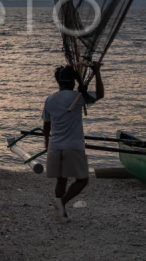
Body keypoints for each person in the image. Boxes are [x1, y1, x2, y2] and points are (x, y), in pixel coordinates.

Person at [42, 62, 104, 223]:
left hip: (55, 146)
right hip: (73, 146)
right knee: (83, 179)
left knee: (61, 180)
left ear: (59, 82)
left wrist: (46, 143)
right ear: (72, 82)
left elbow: (46, 125)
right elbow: (100, 94)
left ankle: (61, 215)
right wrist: (96, 72)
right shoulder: (78, 97)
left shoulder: (50, 99)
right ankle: (61, 203)